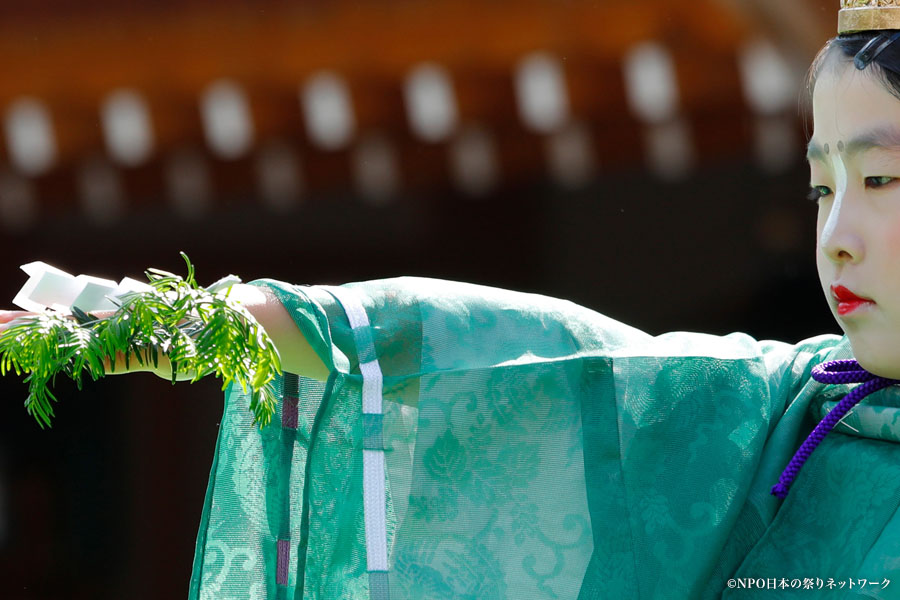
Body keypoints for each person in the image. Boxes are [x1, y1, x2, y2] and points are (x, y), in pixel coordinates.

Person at [5, 2, 900, 598]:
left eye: (883, 178)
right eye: (824, 188)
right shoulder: (787, 416)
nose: (838, 236)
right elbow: (513, 347)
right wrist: (195, 327)